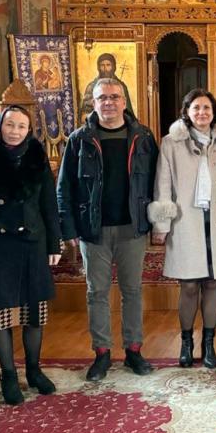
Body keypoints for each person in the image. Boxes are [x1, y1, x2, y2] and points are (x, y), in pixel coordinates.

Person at [57, 78, 159, 382]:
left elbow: (157, 182)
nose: (109, 102)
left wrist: (157, 222)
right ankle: (101, 353)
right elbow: (64, 187)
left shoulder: (143, 137)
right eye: (102, 97)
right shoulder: (79, 139)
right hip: (94, 230)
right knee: (97, 292)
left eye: (115, 97)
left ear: (124, 102)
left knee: (132, 291)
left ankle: (133, 350)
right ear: (94, 102)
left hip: (132, 227)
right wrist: (68, 228)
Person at [0, 106, 61, 405]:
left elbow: (48, 201)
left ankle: (34, 370)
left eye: (21, 126)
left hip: (32, 240)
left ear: (29, 130)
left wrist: (54, 243)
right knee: (0, 313)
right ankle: (8, 375)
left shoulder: (36, 154)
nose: (15, 131)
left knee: (34, 312)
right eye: (10, 124)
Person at [149, 90, 216, 369]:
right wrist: (162, 224)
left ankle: (210, 343)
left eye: (206, 108)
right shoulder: (171, 142)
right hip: (185, 221)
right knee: (189, 284)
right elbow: (162, 184)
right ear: (187, 111)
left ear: (214, 112)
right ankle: (186, 342)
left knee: (213, 282)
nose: (202, 113)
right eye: (196, 108)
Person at [80, 53, 133, 117]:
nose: (105, 68)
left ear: (113, 67)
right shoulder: (92, 86)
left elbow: (128, 113)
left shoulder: (121, 86)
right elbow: (85, 114)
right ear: (98, 67)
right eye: (102, 65)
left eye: (108, 65)